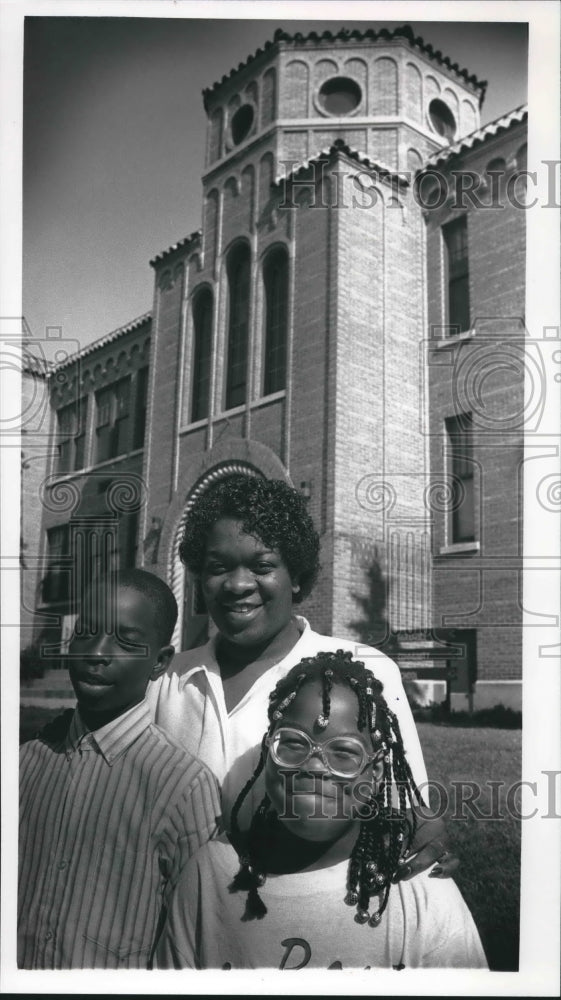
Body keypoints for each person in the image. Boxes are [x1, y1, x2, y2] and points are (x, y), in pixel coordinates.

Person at [147, 473, 455, 874]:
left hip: (310, 917)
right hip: (182, 917)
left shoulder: (363, 673)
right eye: (218, 567)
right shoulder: (166, 681)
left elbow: (405, 811)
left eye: (262, 566)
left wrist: (421, 832)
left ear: (297, 577)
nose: (238, 584)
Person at [155, 651, 487, 970]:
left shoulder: (418, 888)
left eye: (344, 752)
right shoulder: (209, 873)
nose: (314, 766)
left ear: (375, 775)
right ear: (268, 754)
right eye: (293, 743)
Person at [18, 569, 221, 970]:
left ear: (160, 662)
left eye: (126, 641)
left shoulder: (184, 787)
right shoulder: (25, 762)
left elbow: (191, 941)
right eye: (86, 633)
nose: (96, 652)